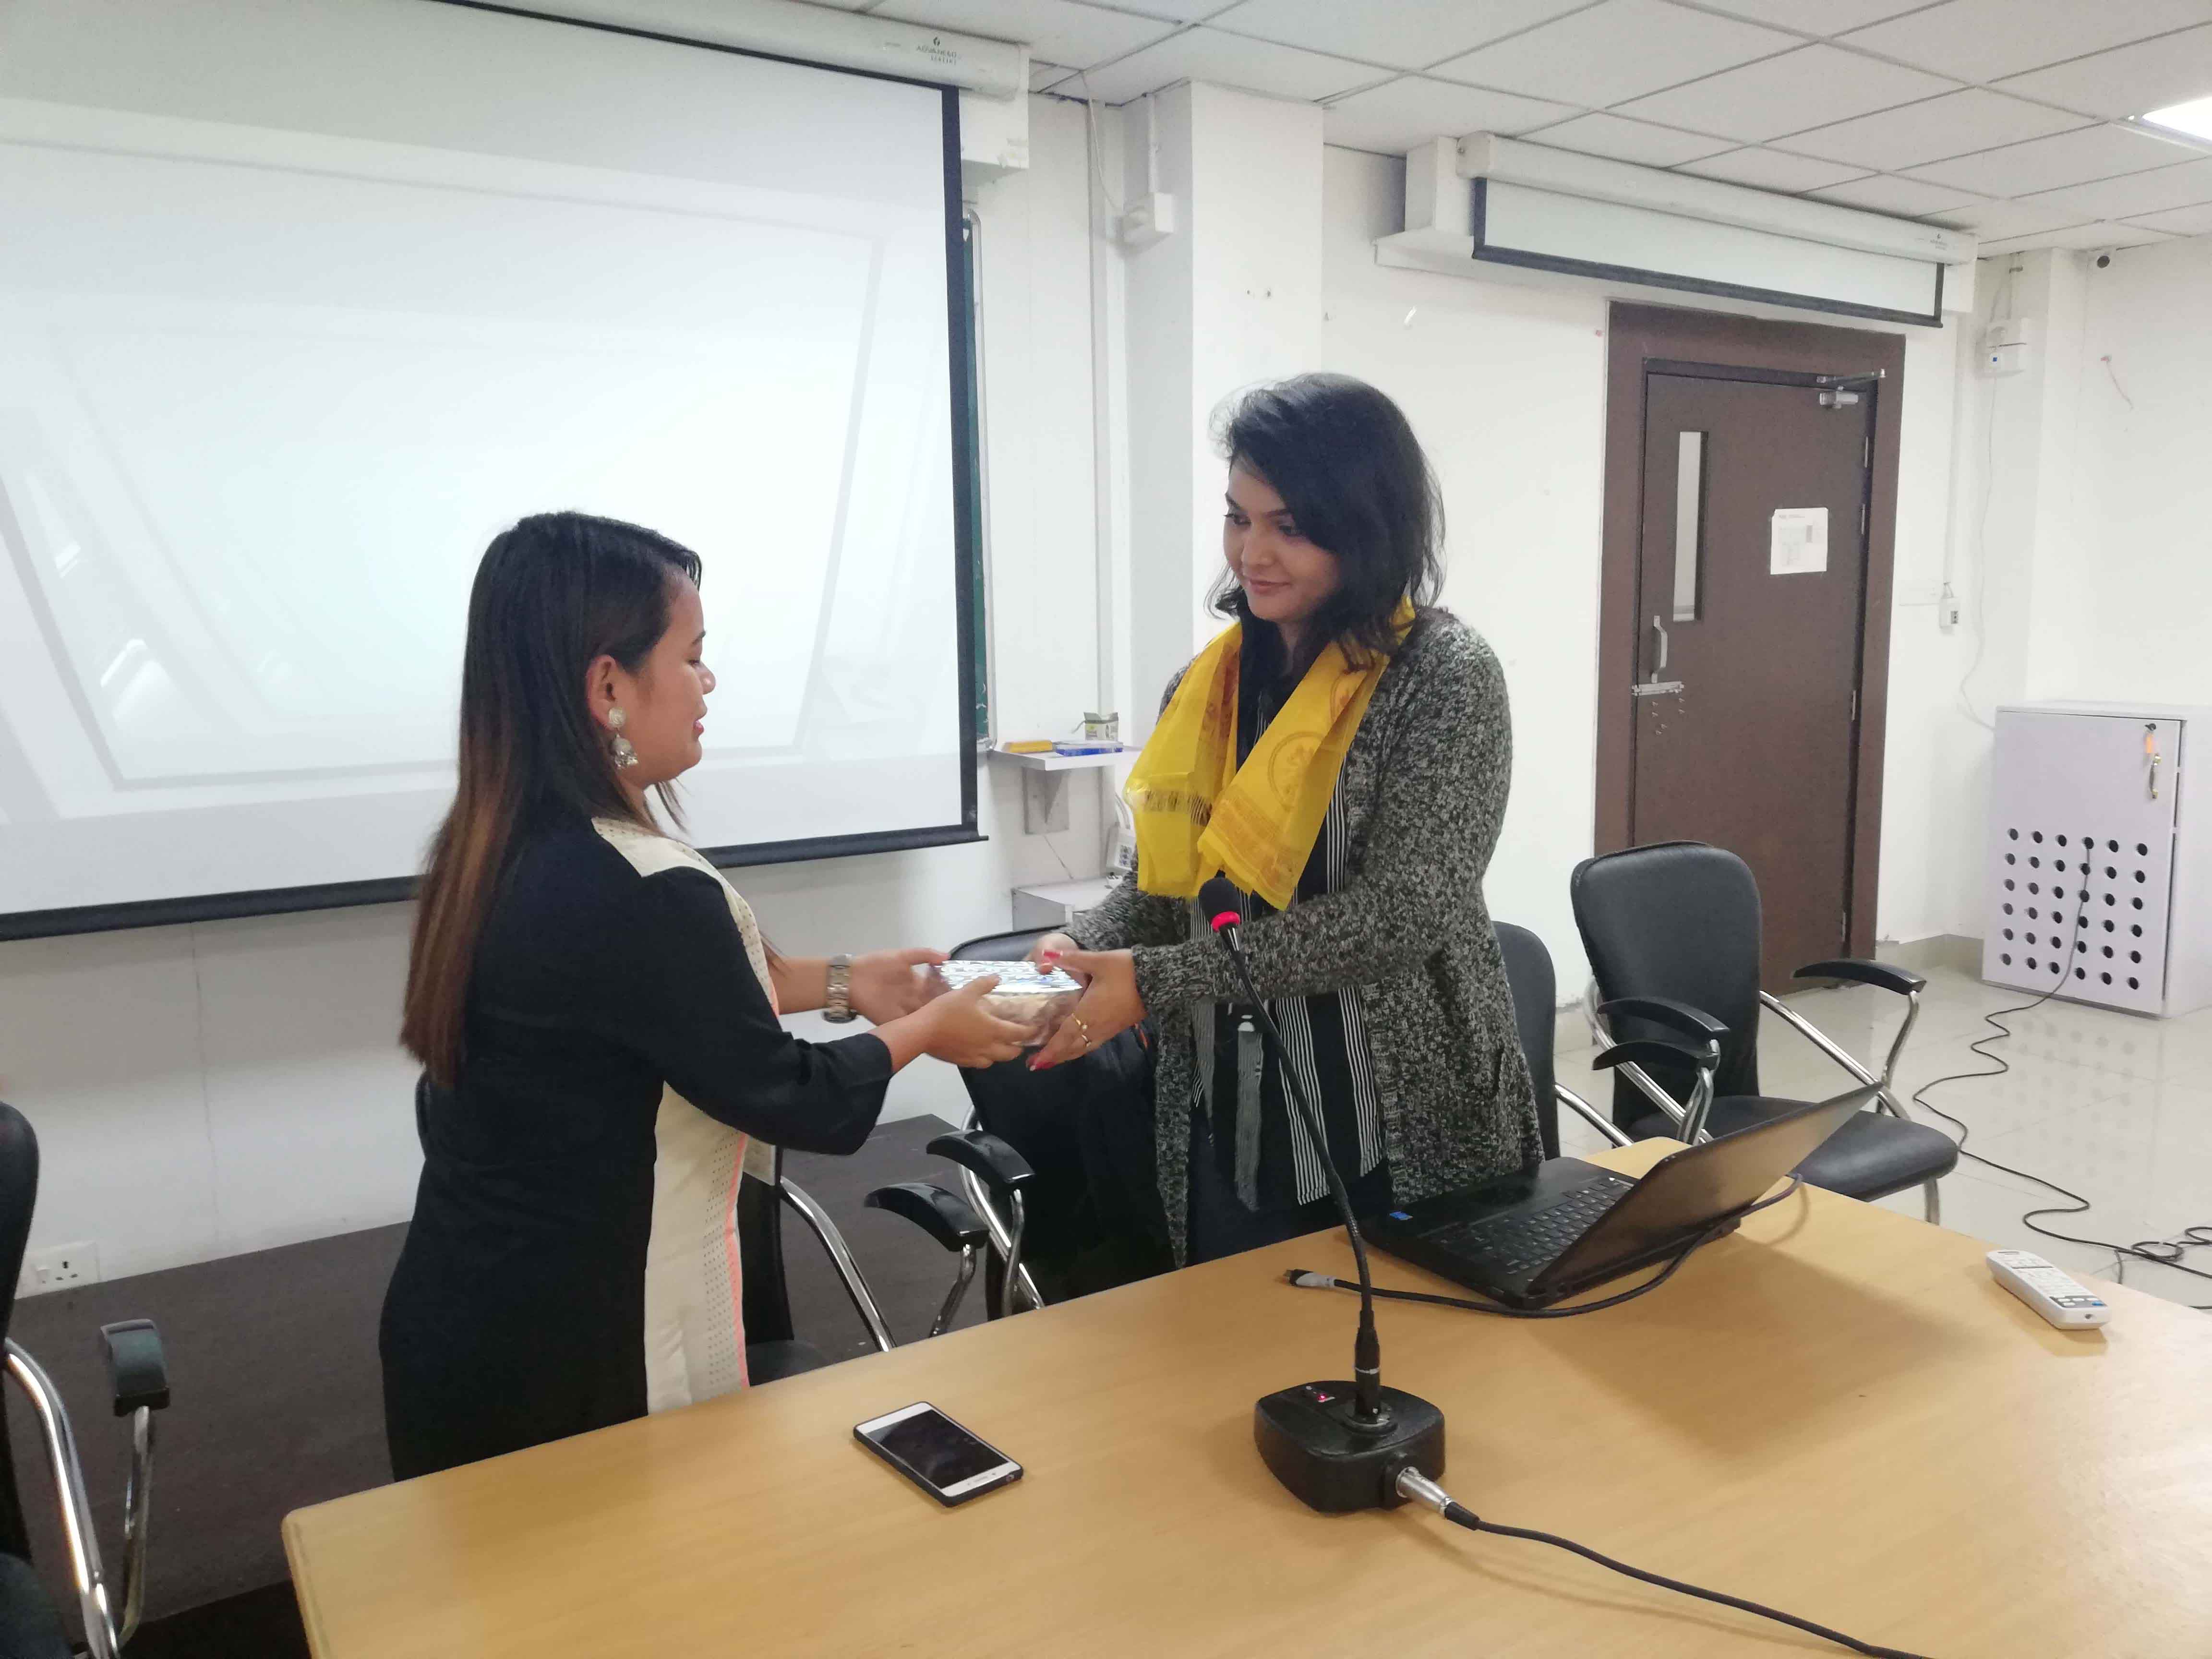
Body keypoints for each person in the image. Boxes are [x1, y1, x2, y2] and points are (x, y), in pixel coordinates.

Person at [380, 511, 1028, 1479]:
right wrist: (931, 1028)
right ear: (609, 687)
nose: (709, 682)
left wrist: (847, 982)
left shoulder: (496, 848)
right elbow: (790, 1093)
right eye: (691, 657)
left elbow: (657, 1006)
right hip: (584, 1352)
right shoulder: (641, 883)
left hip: (468, 1318)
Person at [1029, 373, 1539, 1267]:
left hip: (1392, 1115)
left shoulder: (1441, 678)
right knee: (1241, 1339)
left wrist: (1154, 979)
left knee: (1418, 1342)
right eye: (1239, 518)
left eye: (1290, 527)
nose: (1251, 553)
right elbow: (1166, 891)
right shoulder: (1208, 688)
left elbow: (1403, 915)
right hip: (1229, 1109)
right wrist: (1074, 952)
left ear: (1367, 526)